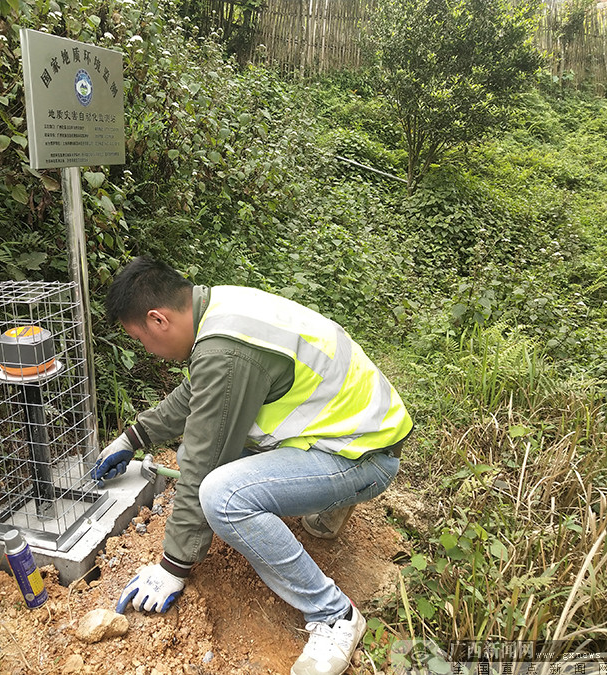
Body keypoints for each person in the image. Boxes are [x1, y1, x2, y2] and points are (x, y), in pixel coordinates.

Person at [92, 255, 413, 675]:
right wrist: (133, 437)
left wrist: (173, 566)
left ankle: (333, 614)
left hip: (363, 457)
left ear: (157, 319)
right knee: (208, 452)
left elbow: (204, 464)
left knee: (221, 495)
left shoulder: (226, 352)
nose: (147, 350)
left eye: (140, 339)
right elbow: (195, 396)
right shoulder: (219, 309)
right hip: (367, 433)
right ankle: (329, 510)